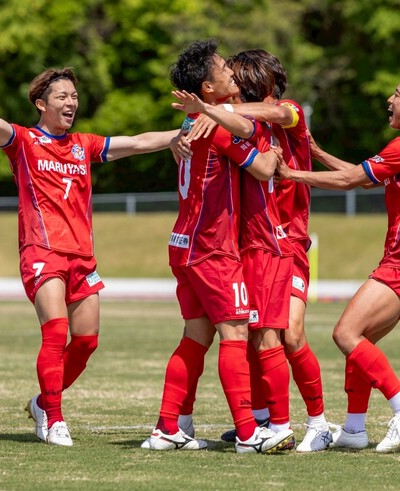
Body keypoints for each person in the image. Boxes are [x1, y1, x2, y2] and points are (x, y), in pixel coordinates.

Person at [0, 62, 182, 446]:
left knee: (86, 341)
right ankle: (54, 419)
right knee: (55, 333)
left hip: (82, 257)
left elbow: (137, 142)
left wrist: (186, 129)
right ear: (41, 103)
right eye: (62, 96)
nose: (71, 102)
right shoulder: (24, 142)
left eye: (74, 96)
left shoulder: (84, 144)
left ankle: (41, 403)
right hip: (42, 251)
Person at [276, 71, 400, 452]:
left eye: (397, 94)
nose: (390, 99)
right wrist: (318, 153)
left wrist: (290, 173)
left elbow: (351, 181)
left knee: (346, 334)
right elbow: (367, 178)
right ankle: (355, 429)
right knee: (362, 341)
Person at [139, 40, 294, 454]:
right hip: (212, 246)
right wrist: (272, 150)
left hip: (183, 242)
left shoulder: (195, 122)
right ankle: (248, 434)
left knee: (195, 336)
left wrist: (208, 117)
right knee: (236, 332)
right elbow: (263, 168)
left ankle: (166, 428)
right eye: (224, 68)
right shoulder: (215, 123)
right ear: (207, 87)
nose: (231, 73)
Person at [212, 49, 333, 452]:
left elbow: (279, 113)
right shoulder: (244, 124)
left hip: (288, 240)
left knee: (290, 334)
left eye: (238, 80)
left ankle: (317, 422)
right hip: (252, 240)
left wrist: (219, 108)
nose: (233, 87)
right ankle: (263, 418)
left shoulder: (287, 110)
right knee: (252, 331)